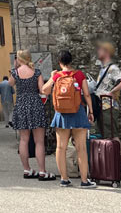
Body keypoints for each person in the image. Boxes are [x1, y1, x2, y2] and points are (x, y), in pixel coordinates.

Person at [41, 49, 96, 188]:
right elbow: (87, 94)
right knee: (81, 148)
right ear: (71, 61)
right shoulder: (79, 74)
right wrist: (91, 111)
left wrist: (53, 76)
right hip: (78, 112)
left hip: (61, 114)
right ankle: (84, 180)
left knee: (60, 147)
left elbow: (44, 90)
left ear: (60, 63)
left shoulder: (57, 75)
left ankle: (64, 179)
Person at [9, 51, 56, 180]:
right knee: (39, 141)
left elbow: (10, 84)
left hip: (21, 105)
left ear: (19, 59)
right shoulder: (36, 72)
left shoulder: (15, 73)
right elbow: (42, 90)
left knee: (23, 140)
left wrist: (15, 67)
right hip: (35, 104)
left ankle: (27, 169)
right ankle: (42, 171)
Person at [92, 41, 121, 134]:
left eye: (100, 51)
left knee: (111, 135)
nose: (98, 53)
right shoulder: (103, 69)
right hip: (103, 106)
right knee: (106, 135)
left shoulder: (112, 68)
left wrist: (111, 92)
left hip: (108, 106)